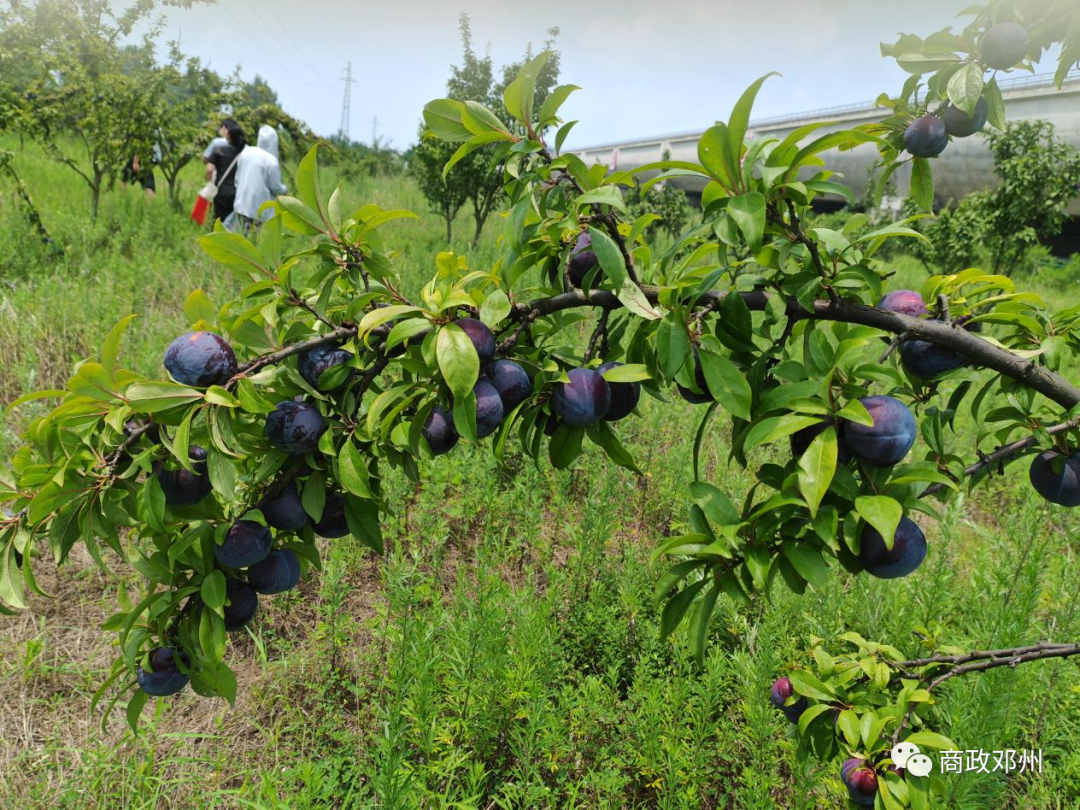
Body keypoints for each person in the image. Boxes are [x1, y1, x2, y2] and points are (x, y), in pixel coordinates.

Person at [227, 125, 287, 235]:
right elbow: (275, 187)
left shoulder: (246, 152)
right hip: (259, 211)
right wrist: (284, 189)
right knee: (255, 244)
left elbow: (237, 180)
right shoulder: (271, 160)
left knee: (238, 240)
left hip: (241, 205)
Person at [205, 123, 246, 225]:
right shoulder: (245, 153)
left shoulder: (219, 150)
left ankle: (216, 239)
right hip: (239, 192)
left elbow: (209, 170)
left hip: (221, 191)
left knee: (218, 220)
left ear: (228, 136)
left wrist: (209, 184)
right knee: (234, 223)